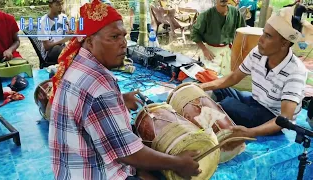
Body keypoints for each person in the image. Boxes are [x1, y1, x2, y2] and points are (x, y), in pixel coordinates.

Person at [49, 1, 201, 180]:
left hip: (71, 168)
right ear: (89, 41)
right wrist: (178, 162)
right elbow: (127, 153)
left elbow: (87, 105)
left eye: (123, 36)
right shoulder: (98, 85)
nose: (123, 44)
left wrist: (118, 98)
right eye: (114, 37)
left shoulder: (80, 64)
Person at [199, 7, 307, 143]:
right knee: (218, 88)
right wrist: (202, 87)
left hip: (273, 118)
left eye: (268, 36)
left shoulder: (295, 72)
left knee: (228, 104)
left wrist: (250, 132)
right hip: (255, 101)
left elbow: (284, 118)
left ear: (284, 43)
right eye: (263, 33)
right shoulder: (258, 52)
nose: (260, 40)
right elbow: (234, 77)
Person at [191, 0, 246, 76]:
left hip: (227, 51)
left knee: (228, 78)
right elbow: (195, 33)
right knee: (210, 78)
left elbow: (241, 31)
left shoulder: (235, 12)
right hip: (210, 53)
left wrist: (236, 50)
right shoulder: (206, 15)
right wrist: (204, 49)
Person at [38, 0, 73, 64]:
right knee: (58, 49)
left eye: (61, 4)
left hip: (62, 48)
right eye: (57, 5)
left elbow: (68, 32)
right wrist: (63, 40)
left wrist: (70, 33)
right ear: (50, 5)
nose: (60, 7)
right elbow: (47, 47)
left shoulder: (63, 17)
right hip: (49, 53)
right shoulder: (43, 22)